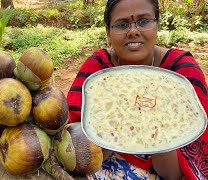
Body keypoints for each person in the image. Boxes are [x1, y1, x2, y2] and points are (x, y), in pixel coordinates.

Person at [66, 0, 208, 179]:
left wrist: (155, 120)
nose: (133, 31)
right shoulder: (98, 71)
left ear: (157, 25)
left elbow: (177, 172)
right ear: (108, 33)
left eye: (144, 21)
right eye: (122, 24)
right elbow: (77, 150)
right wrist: (113, 114)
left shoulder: (182, 73)